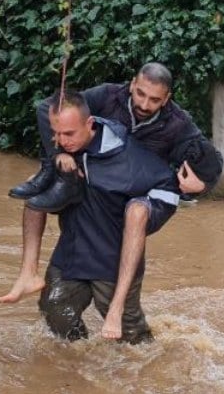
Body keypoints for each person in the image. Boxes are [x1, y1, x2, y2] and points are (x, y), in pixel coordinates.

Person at [0, 63, 222, 340]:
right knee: (56, 308)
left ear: (166, 99)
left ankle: (120, 315)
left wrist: (201, 186)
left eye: (154, 100)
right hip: (99, 185)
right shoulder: (107, 97)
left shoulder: (178, 123)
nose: (144, 103)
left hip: (144, 191)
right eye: (140, 94)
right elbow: (53, 110)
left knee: (135, 213)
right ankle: (75, 352)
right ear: (131, 85)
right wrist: (56, 156)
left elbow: (211, 160)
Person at [35, 90, 180, 344]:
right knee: (55, 309)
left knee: (132, 341)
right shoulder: (63, 152)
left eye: (68, 134)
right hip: (71, 255)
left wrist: (190, 188)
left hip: (112, 261)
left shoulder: (129, 158)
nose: (61, 141)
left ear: (89, 124)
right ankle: (78, 364)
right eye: (56, 134)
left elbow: (168, 187)